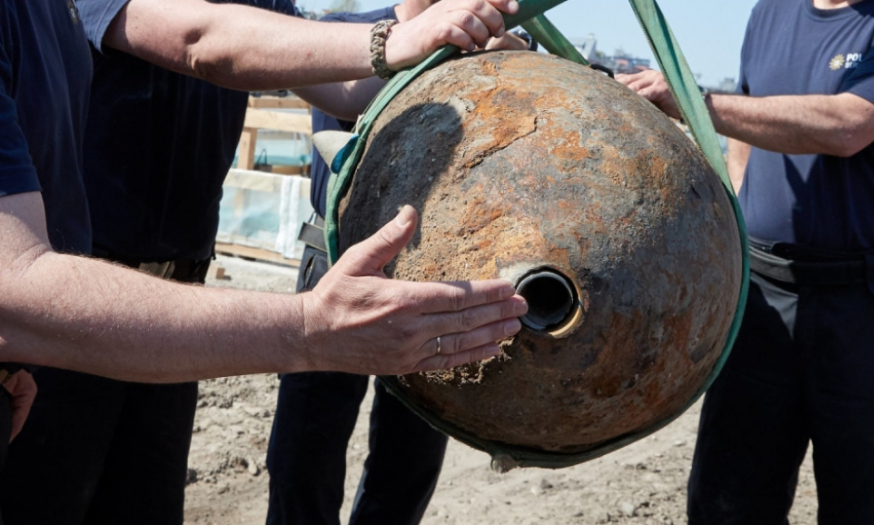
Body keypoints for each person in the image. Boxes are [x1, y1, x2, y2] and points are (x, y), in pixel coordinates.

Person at [0, 0, 524, 509]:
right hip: (80, 308)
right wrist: (394, 38)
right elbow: (202, 41)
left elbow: (338, 83)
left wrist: (441, 43)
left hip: (172, 315)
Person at [617, 0, 874, 522]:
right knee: (728, 501)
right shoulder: (772, 12)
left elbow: (847, 126)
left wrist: (691, 99)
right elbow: (748, 120)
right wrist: (743, 208)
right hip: (763, 304)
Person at [266, 9, 530, 524]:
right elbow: (344, 89)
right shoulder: (345, 35)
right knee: (306, 444)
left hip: (438, 266)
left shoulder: (501, 47)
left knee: (411, 454)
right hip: (335, 257)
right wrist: (449, 57)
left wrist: (508, 64)